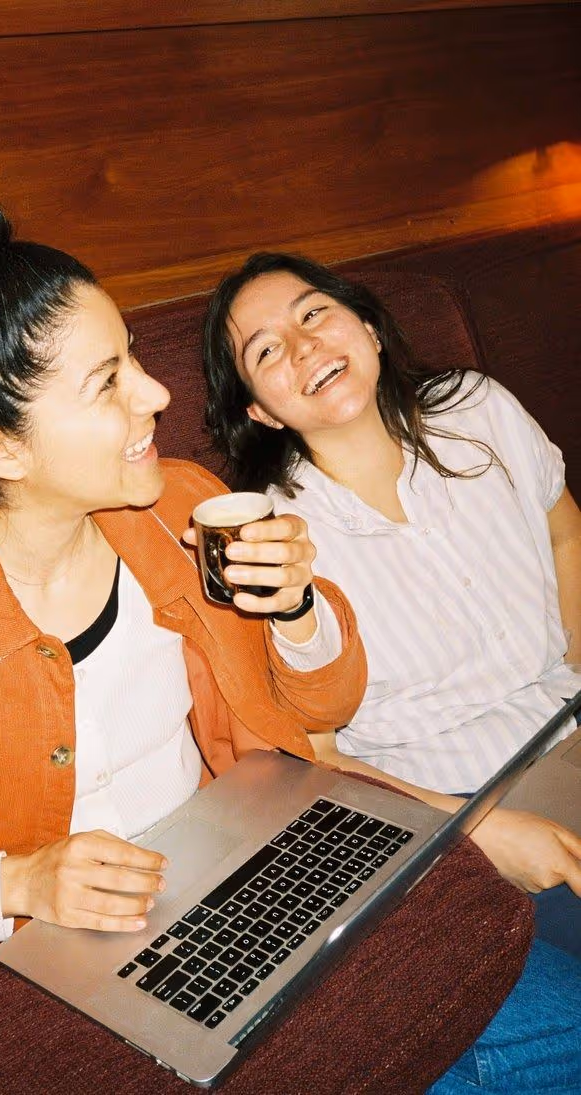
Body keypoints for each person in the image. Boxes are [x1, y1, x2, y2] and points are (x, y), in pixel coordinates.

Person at [0, 177, 366, 1095]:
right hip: (3, 998)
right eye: (108, 381)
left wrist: (298, 610)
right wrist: (16, 882)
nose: (157, 392)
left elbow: (327, 702)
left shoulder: (186, 508)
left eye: (133, 358)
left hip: (231, 908)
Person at [202, 250, 581, 961]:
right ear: (259, 410)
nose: (305, 344)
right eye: (267, 350)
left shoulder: (477, 408)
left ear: (370, 329)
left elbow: (565, 530)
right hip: (447, 814)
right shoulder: (271, 542)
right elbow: (310, 757)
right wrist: (477, 830)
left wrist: (572, 677)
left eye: (314, 312)